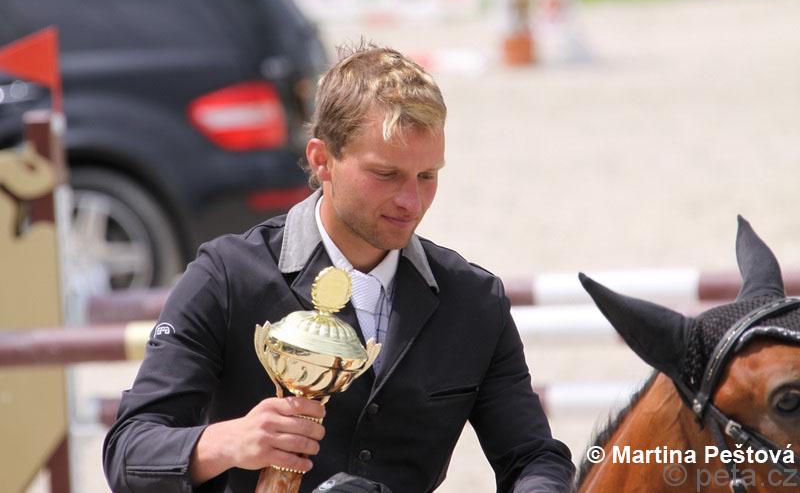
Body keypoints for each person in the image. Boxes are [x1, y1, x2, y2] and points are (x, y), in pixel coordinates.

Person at [103, 43, 575, 492]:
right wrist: (229, 442)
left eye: (427, 176)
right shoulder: (225, 278)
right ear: (321, 160)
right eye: (386, 174)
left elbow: (534, 457)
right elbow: (128, 453)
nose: (412, 202)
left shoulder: (474, 301)